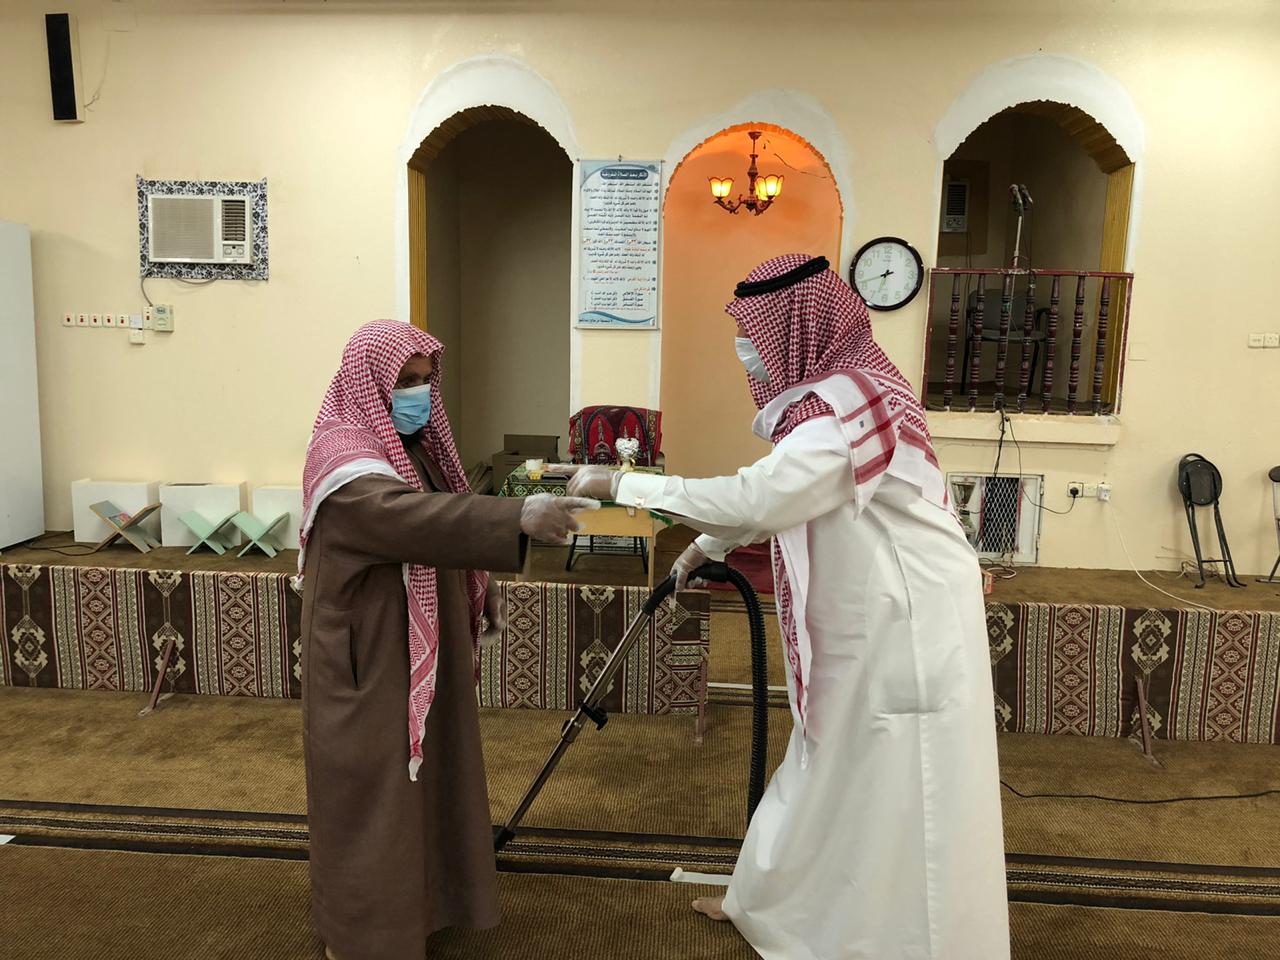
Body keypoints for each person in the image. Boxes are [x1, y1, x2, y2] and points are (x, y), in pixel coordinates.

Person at [567, 255, 1009, 959]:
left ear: (798, 327)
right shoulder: (844, 395)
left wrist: (623, 485)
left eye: (755, 336)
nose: (748, 352)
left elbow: (759, 499)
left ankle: (889, 939)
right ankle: (766, 903)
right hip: (872, 606)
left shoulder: (842, 412)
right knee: (826, 755)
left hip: (906, 623)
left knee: (893, 779)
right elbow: (784, 494)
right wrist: (702, 548)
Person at [298, 320, 596, 960]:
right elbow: (402, 516)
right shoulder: (344, 458)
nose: (417, 395)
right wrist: (517, 516)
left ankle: (429, 906)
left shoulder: (417, 449)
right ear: (370, 381)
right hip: (370, 654)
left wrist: (484, 581)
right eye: (404, 381)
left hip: (424, 644)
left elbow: (443, 515)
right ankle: (363, 934)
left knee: (432, 781)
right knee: (376, 795)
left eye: (425, 381)